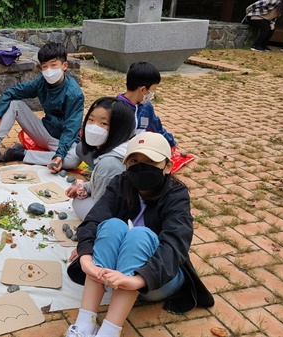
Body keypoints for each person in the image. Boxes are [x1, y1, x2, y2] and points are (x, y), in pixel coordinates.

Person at [65, 132, 214, 337]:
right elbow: (95, 218)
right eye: (134, 160)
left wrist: (139, 280)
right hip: (121, 275)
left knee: (140, 235)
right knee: (112, 225)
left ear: (168, 167)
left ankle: (109, 331)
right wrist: (86, 255)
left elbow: (175, 244)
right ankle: (83, 325)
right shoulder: (122, 183)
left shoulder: (176, 195)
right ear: (126, 163)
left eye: (151, 161)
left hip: (158, 279)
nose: (141, 167)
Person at [0, 42, 85, 173]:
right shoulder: (41, 82)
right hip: (44, 132)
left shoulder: (74, 93)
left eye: (53, 65)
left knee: (74, 159)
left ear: (64, 66)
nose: (49, 70)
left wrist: (60, 154)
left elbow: (71, 128)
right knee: (15, 104)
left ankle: (21, 154)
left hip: (62, 141)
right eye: (45, 66)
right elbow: (11, 92)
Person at [65, 97, 135, 220]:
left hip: (117, 221)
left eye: (103, 123)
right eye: (91, 119)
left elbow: (102, 212)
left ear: (118, 130)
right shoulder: (126, 148)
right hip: (124, 206)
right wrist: (85, 187)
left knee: (77, 202)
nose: (93, 127)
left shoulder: (108, 164)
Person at [116, 62, 177, 155]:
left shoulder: (146, 108)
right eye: (152, 90)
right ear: (143, 90)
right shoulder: (115, 108)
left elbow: (157, 128)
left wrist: (171, 142)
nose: (152, 94)